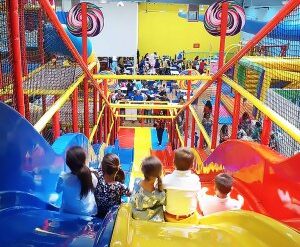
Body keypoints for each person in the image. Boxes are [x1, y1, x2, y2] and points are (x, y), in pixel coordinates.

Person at [163, 148, 201, 224]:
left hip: (169, 217)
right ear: (191, 165)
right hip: (189, 218)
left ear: (174, 162)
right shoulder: (195, 179)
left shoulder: (166, 179)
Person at [56, 146, 97, 216]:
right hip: (88, 213)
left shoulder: (63, 178)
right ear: (84, 161)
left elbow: (57, 191)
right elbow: (94, 187)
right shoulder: (91, 177)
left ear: (67, 163)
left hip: (67, 213)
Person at [131, 156, 165, 222]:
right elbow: (164, 202)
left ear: (143, 171)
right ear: (160, 173)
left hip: (134, 216)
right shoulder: (158, 195)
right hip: (149, 220)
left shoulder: (136, 181)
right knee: (160, 207)